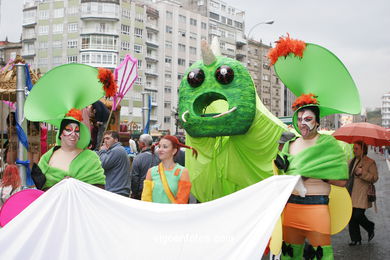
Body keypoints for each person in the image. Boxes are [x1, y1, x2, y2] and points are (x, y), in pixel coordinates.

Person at [275, 103, 348, 260]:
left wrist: (320, 174)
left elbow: (342, 181)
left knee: (321, 255)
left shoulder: (328, 144)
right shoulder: (290, 144)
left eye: (308, 119)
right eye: (300, 119)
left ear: (317, 121)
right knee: (289, 255)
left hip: (317, 211)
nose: (303, 123)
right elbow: (282, 174)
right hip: (291, 209)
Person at [36, 110, 106, 190]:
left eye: (77, 131)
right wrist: (60, 187)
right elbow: (41, 188)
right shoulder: (46, 158)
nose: (73, 134)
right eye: (68, 130)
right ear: (61, 134)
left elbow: (99, 189)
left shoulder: (91, 157)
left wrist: (74, 185)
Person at [141, 135, 197, 204]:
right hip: (154, 213)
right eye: (159, 146)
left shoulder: (182, 172)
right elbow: (145, 200)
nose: (160, 150)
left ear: (174, 151)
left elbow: (181, 202)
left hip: (173, 213)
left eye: (165, 147)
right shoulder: (151, 172)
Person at [347, 141, 378, 246]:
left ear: (363, 149)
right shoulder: (351, 161)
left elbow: (374, 178)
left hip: (362, 194)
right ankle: (355, 239)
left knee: (358, 215)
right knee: (351, 216)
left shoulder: (370, 162)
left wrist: (362, 173)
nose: (354, 150)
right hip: (350, 192)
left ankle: (370, 226)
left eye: (356, 149)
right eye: (353, 148)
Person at [98, 130, 131, 197]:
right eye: (104, 139)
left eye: (108, 138)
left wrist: (102, 150)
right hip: (117, 191)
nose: (105, 141)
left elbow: (102, 163)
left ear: (116, 140)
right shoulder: (117, 150)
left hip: (116, 191)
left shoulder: (116, 150)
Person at [130, 134, 159, 199]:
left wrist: (134, 193)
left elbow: (135, 178)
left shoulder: (138, 158)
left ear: (142, 144)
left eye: (139, 142)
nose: (138, 143)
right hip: (156, 191)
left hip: (142, 193)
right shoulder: (158, 157)